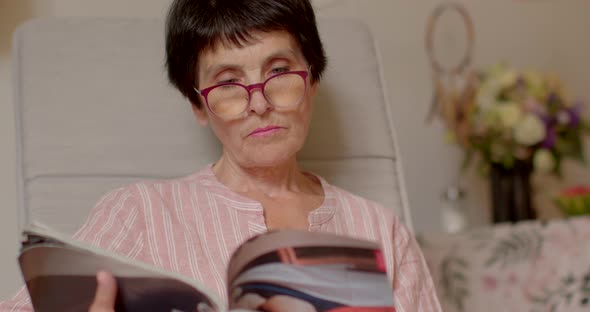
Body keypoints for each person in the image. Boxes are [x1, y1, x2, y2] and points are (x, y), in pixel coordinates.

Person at [0, 0, 441, 311]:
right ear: (198, 105)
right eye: (228, 83)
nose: (259, 102)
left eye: (280, 72)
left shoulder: (381, 230)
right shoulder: (139, 212)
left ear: (312, 80)